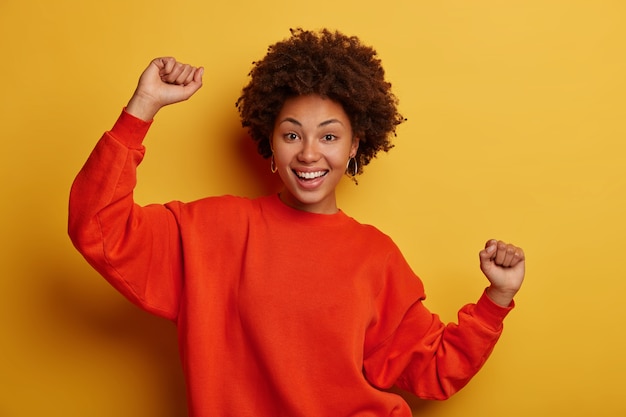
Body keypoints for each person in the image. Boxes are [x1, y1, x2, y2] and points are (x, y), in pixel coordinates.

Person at [68, 28, 525, 417]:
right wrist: (142, 107)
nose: (309, 153)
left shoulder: (376, 256)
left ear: (353, 146)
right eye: (292, 135)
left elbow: (433, 370)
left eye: (329, 135)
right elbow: (98, 226)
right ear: (270, 141)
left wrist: (497, 298)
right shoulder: (211, 230)